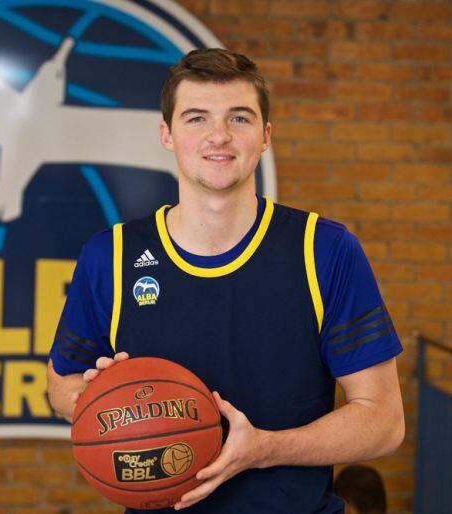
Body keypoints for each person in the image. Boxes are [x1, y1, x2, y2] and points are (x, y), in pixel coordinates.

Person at [47, 48, 405, 513]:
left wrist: (266, 449)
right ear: (167, 135)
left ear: (265, 136)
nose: (219, 136)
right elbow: (61, 384)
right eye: (196, 118)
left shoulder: (324, 250)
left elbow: (384, 421)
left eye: (239, 118)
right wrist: (97, 401)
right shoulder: (110, 256)